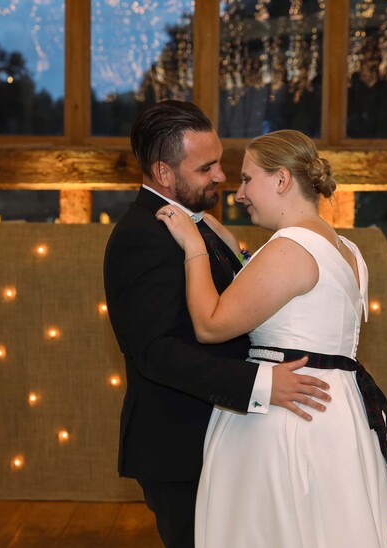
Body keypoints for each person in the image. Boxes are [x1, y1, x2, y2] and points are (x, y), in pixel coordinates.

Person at [157, 129, 387, 547]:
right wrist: (229, 246)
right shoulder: (346, 247)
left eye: (247, 178)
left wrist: (193, 247)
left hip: (286, 419)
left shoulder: (289, 247)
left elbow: (211, 324)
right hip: (339, 412)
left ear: (281, 180)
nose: (238, 193)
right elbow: (289, 302)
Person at [103, 101, 331, 548]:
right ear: (163, 173)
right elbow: (157, 352)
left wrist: (238, 253)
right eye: (206, 167)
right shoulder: (141, 236)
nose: (221, 177)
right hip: (180, 447)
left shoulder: (197, 224)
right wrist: (261, 384)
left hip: (225, 438)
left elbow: (239, 300)